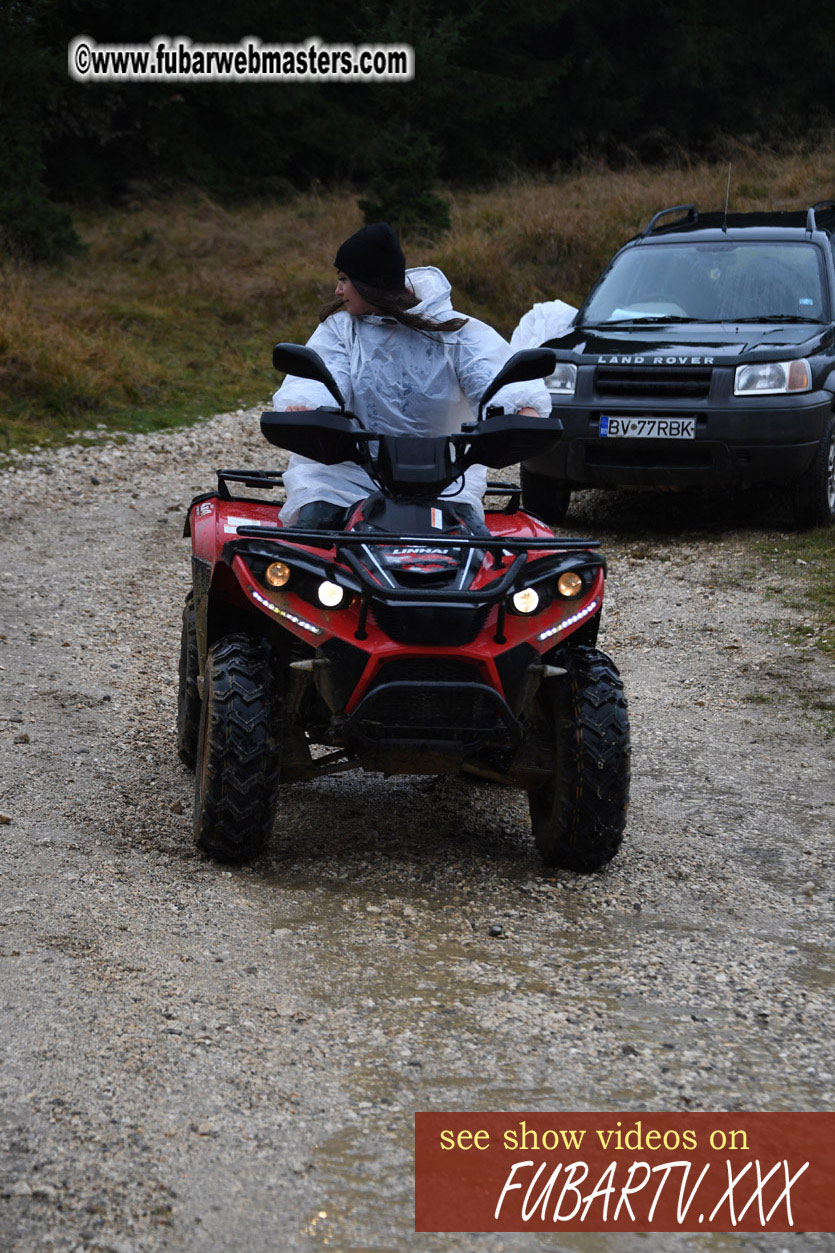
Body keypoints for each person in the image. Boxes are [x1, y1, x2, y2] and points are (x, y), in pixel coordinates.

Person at [273, 222, 552, 528]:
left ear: (370, 283)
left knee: (472, 545)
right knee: (315, 534)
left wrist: (521, 407)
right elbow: (323, 375)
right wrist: (306, 407)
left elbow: (490, 369)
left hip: (443, 479)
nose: (337, 290)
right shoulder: (340, 331)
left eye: (344, 280)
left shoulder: (452, 330)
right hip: (345, 477)